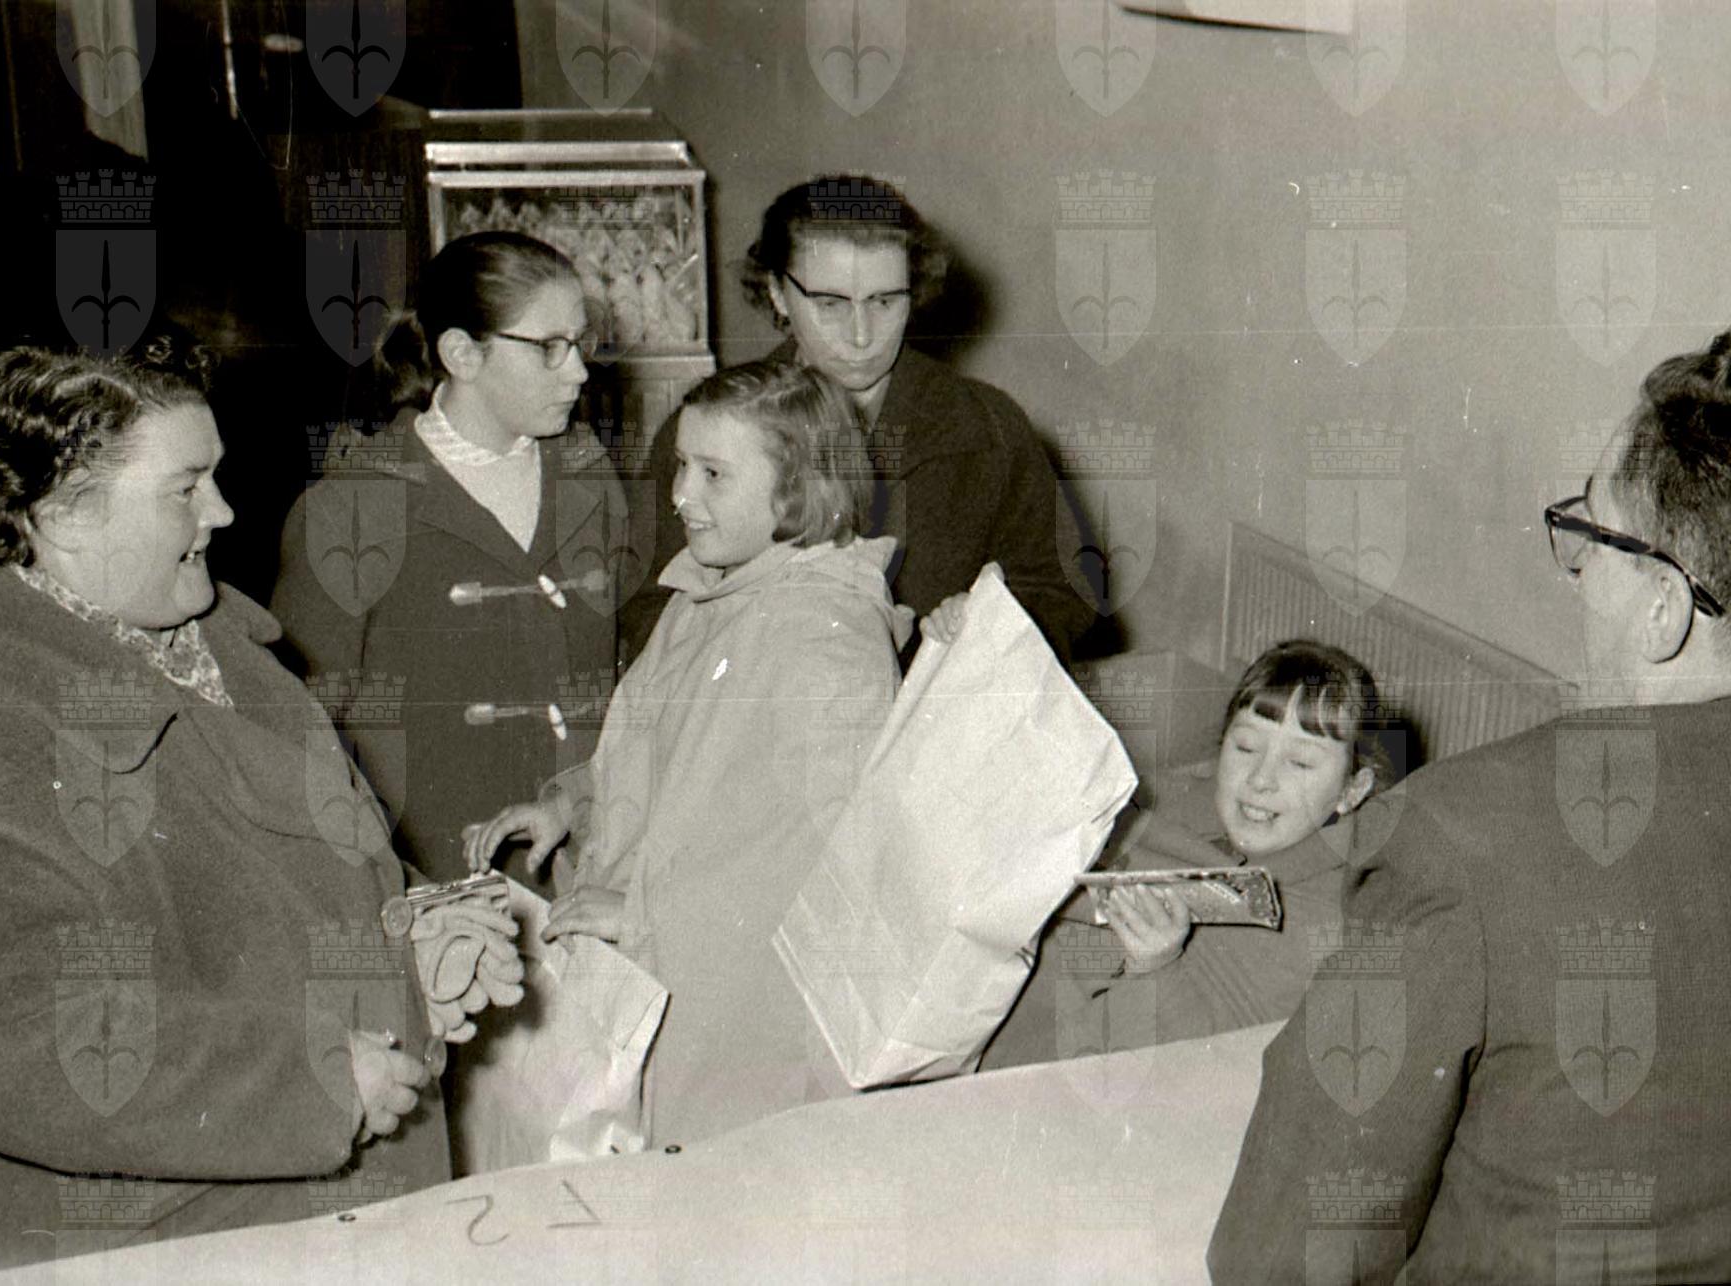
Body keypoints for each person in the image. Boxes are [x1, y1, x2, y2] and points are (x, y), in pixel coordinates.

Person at [0, 341, 512, 1284]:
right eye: (185, 488)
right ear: (66, 516)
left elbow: (305, 878)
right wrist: (306, 1082)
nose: (223, 512)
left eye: (215, 477)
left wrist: (417, 938)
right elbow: (11, 1034)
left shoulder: (213, 647)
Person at [1209, 329, 1731, 1282]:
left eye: (1594, 536)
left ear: (1663, 608)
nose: (1577, 569)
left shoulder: (1464, 833)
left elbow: (1282, 1252)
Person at [464, 358, 910, 1147]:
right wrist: (571, 804)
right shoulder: (709, 593)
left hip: (743, 1033)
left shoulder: (827, 641)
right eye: (680, 465)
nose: (679, 495)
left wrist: (643, 917)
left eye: (713, 474)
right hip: (664, 988)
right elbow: (676, 758)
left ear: (796, 490)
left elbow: (825, 869)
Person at [273, 231, 630, 891]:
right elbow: (300, 731)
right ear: (462, 354)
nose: (579, 371)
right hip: (435, 880)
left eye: (581, 343)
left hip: (590, 864)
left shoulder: (589, 475)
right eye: (549, 347)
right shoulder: (350, 507)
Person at [618, 175, 1094, 668]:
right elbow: (646, 608)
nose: (862, 335)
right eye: (830, 304)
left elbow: (1061, 586)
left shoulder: (987, 428)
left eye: (885, 301)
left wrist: (992, 622)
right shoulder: (706, 433)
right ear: (777, 292)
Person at [981, 640, 1394, 1070]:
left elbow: (1217, 1072)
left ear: (1352, 791)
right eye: (1246, 747)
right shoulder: (1173, 803)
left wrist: (1157, 967)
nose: (1260, 779)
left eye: (1301, 763)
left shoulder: (1326, 922)